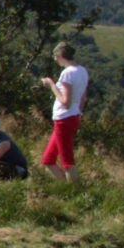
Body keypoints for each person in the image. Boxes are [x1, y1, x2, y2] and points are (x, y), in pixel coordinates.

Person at [40, 42, 89, 181]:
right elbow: (83, 95)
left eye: (56, 56)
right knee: (48, 160)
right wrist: (78, 111)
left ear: (60, 56)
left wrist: (51, 85)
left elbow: (65, 102)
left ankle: (73, 191)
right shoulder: (82, 70)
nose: (55, 59)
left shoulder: (67, 74)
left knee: (67, 160)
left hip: (64, 118)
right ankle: (64, 187)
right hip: (73, 116)